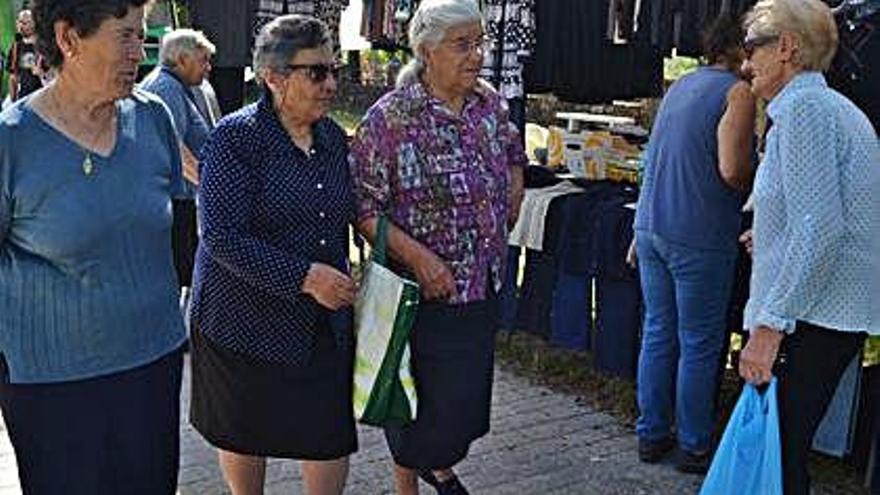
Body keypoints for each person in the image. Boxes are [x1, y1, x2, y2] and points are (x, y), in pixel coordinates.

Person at [0, 1, 188, 493]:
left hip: (152, 366)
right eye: (125, 36)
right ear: (69, 39)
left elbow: (172, 226)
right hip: (53, 385)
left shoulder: (153, 119)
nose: (139, 52)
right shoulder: (12, 142)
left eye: (142, 36)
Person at [348, 1, 526, 493]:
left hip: (481, 279)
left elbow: (514, 152)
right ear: (426, 50)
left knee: (461, 405)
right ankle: (424, 479)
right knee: (418, 399)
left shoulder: (489, 103)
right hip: (423, 290)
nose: (477, 56)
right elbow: (363, 208)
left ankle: (437, 464)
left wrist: (513, 186)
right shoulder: (392, 117)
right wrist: (420, 259)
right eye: (462, 44)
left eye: (480, 43)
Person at [189, 14, 356, 495]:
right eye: (316, 72)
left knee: (328, 436)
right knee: (246, 433)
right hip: (243, 321)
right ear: (274, 78)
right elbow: (219, 235)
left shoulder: (330, 139)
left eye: (334, 71)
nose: (330, 85)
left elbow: (349, 210)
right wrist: (306, 277)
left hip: (319, 320)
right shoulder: (236, 137)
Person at [737, 1, 880, 494]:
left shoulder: (806, 110)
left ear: (787, 47)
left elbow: (819, 227)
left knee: (778, 458)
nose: (745, 61)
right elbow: (818, 213)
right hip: (822, 309)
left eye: (753, 46)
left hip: (813, 315)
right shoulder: (820, 108)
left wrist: (771, 326)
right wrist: (769, 232)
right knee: (783, 454)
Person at [629, 13, 756, 474]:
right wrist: (759, 177)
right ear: (740, 51)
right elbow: (730, 169)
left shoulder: (681, 86)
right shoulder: (736, 93)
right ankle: (695, 444)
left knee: (659, 332)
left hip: (653, 225)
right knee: (700, 341)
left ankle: (650, 434)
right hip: (699, 232)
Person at [139, 28, 215, 321]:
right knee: (178, 271)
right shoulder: (167, 88)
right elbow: (176, 149)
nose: (208, 68)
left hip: (178, 197)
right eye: (203, 61)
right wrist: (211, 187)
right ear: (182, 60)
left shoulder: (174, 85)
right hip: (175, 199)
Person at [6, 9, 42, 102]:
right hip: (23, 100)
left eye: (27, 22)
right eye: (21, 22)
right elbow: (12, 78)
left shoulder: (43, 46)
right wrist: (13, 104)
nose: (23, 25)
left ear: (34, 23)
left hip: (42, 100)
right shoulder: (15, 47)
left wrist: (42, 74)